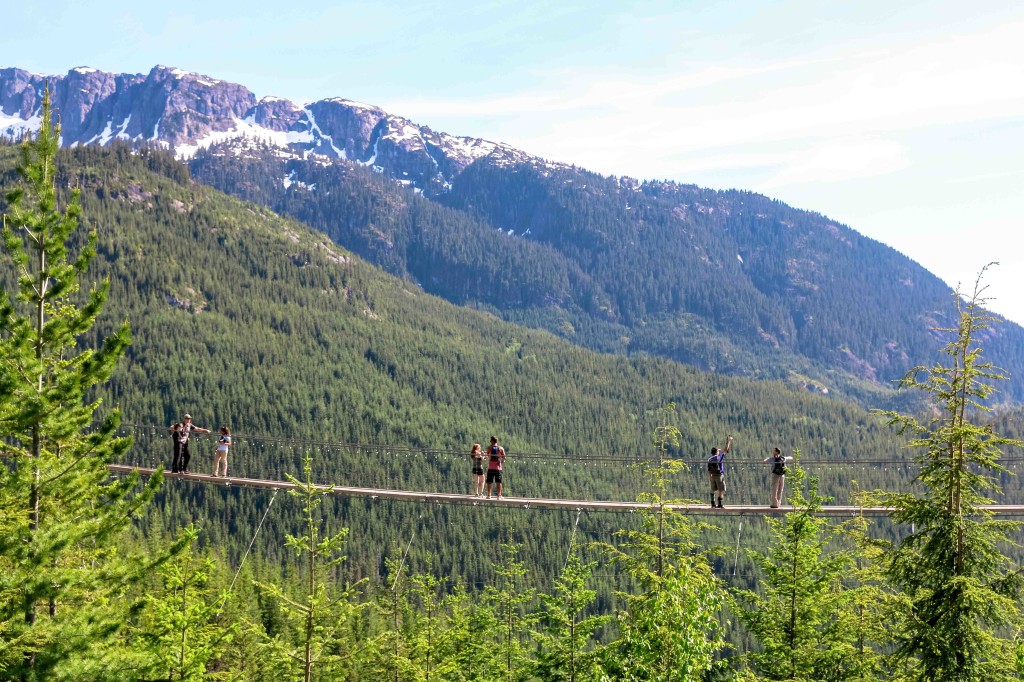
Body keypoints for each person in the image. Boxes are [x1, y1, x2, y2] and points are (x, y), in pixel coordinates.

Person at [706, 434, 733, 508]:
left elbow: (708, 469)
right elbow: (726, 449)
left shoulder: (709, 459)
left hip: (712, 475)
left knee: (713, 489)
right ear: (716, 452)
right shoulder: (719, 457)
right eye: (718, 451)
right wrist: (729, 441)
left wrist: (710, 477)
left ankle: (712, 503)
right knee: (721, 489)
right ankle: (720, 504)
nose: (719, 451)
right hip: (719, 475)